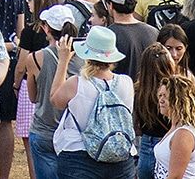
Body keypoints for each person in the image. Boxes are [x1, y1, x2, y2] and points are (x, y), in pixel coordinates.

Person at [50, 27, 136, 179]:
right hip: (120, 155)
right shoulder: (126, 83)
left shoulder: (77, 83)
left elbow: (55, 100)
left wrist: (63, 61)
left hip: (78, 154)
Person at [148, 73, 195, 179]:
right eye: (160, 95)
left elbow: (175, 177)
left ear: (179, 100)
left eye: (166, 96)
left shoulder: (183, 134)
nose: (161, 100)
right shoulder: (175, 129)